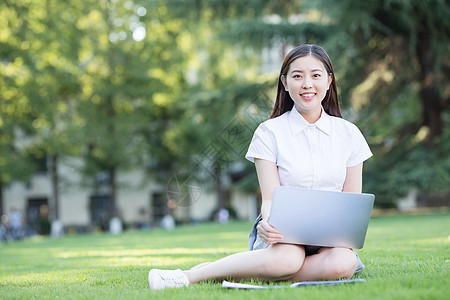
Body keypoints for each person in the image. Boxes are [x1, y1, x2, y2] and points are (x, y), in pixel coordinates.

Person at [148, 44, 373, 290]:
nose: (307, 84)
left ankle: (247, 269)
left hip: (331, 238)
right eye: (297, 76)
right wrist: (267, 223)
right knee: (288, 258)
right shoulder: (269, 132)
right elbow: (270, 198)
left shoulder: (349, 134)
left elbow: (352, 202)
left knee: (343, 263)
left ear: (329, 81)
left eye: (316, 75)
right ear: (285, 83)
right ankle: (188, 277)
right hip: (283, 232)